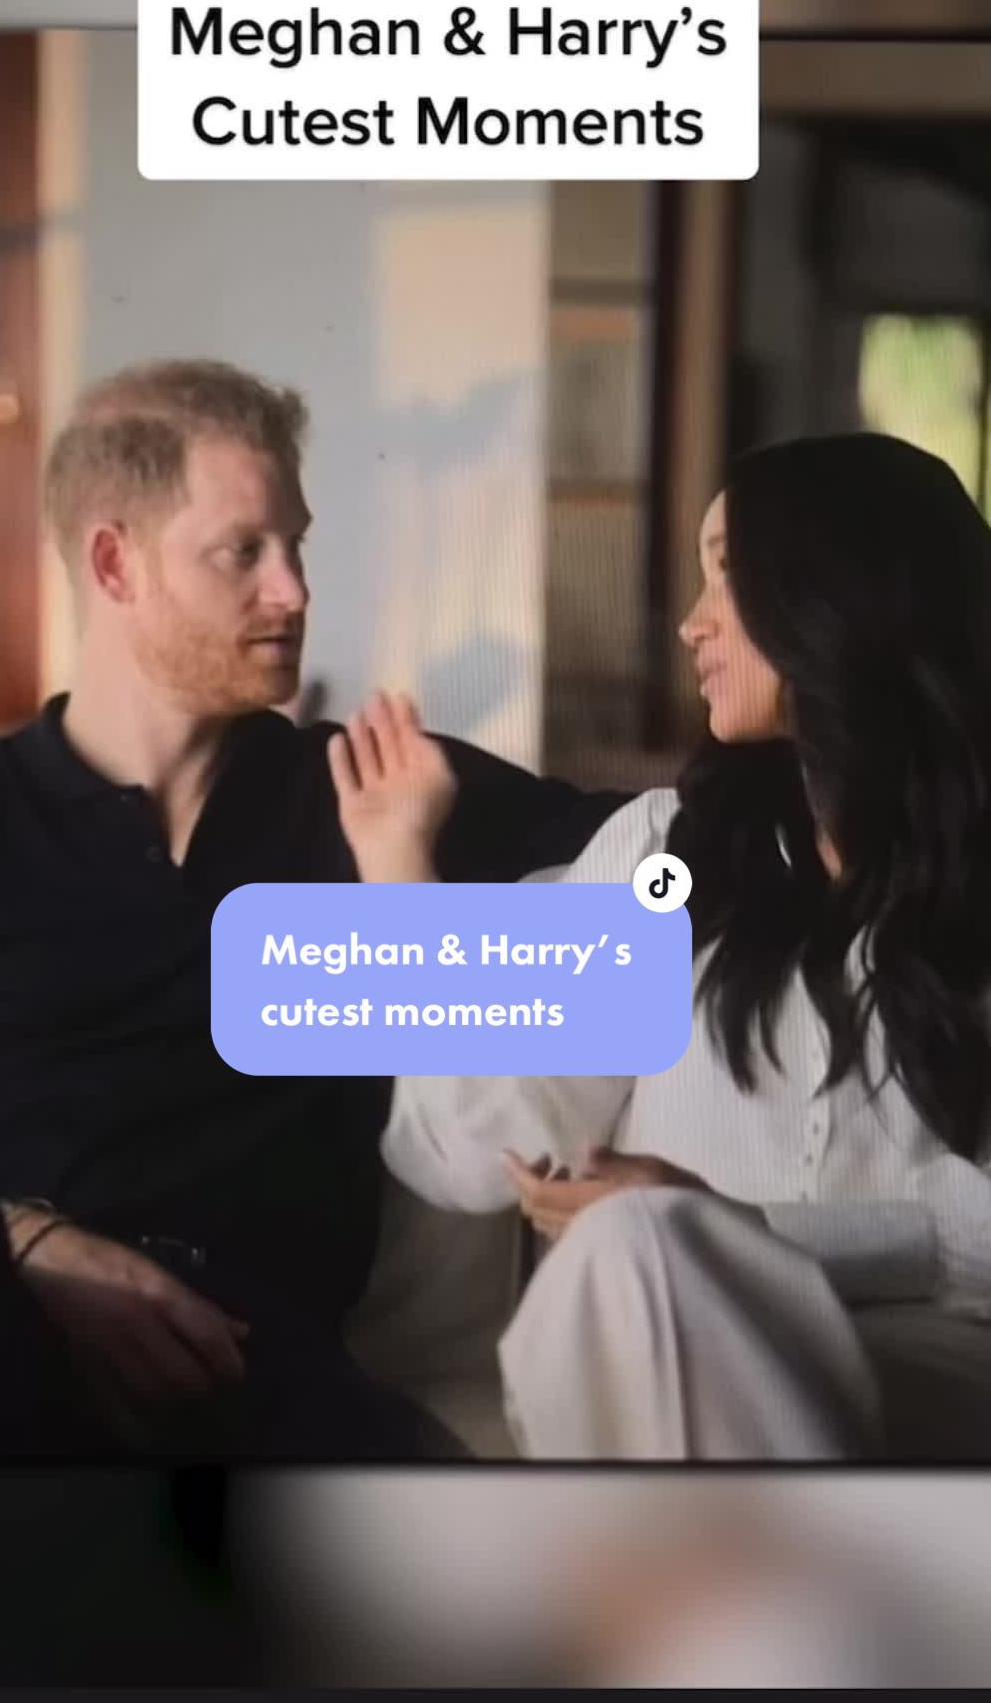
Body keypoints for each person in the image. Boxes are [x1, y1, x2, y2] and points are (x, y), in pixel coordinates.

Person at [0, 357, 626, 1463]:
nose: (293, 590)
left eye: (295, 545)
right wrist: (36, 1249)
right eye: (242, 552)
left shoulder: (374, 791)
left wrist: (406, 882)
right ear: (115, 563)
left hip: (255, 1376)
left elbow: (680, 859)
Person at [330, 433, 991, 1460]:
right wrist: (400, 882)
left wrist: (742, 1232)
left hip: (923, 1373)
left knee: (646, 1242)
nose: (692, 621)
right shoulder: (663, 862)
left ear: (836, 593)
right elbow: (466, 1152)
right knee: (628, 1253)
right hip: (661, 1339)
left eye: (728, 573)